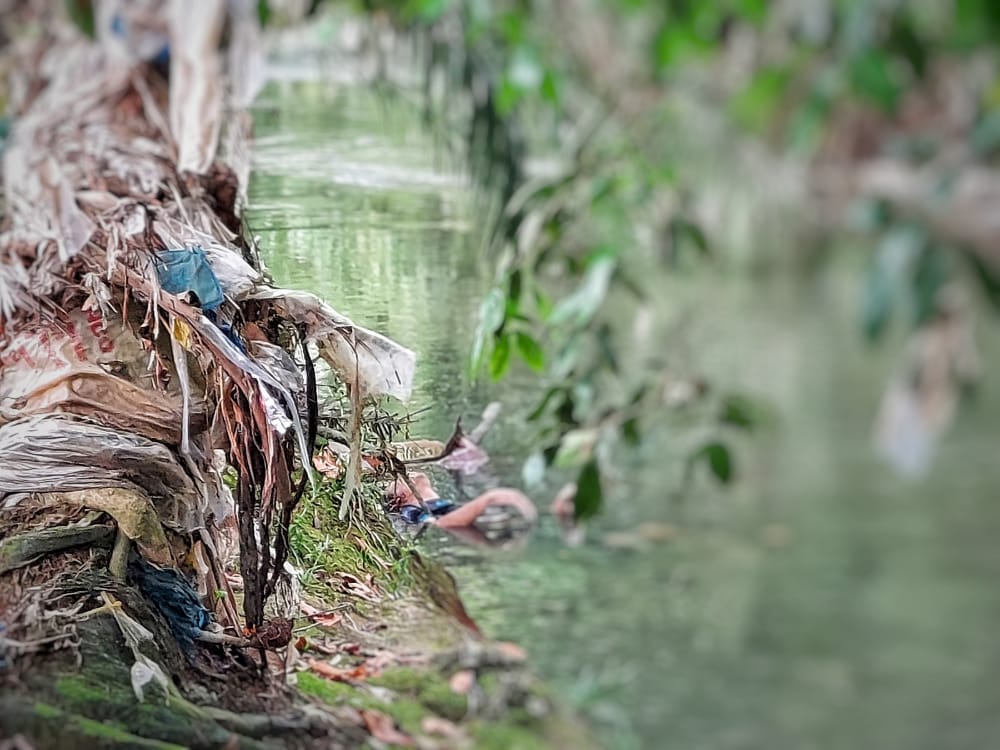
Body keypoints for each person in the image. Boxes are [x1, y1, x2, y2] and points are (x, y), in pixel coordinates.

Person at [384, 471, 537, 528]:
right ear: (400, 497)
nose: (409, 474)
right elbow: (438, 525)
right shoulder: (411, 511)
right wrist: (487, 500)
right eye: (406, 477)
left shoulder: (434, 504)